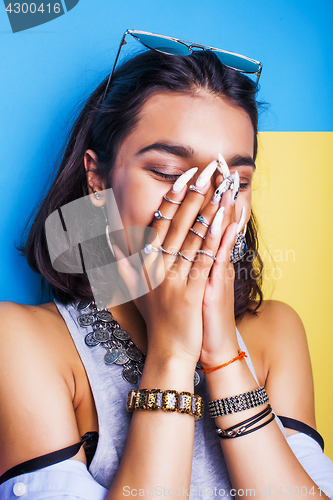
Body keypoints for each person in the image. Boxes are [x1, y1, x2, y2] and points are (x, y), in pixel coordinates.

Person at [0, 30, 333, 499]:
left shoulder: (275, 332)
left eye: (233, 181)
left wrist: (222, 358)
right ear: (97, 178)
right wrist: (172, 353)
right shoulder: (22, 342)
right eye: (170, 174)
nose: (205, 205)